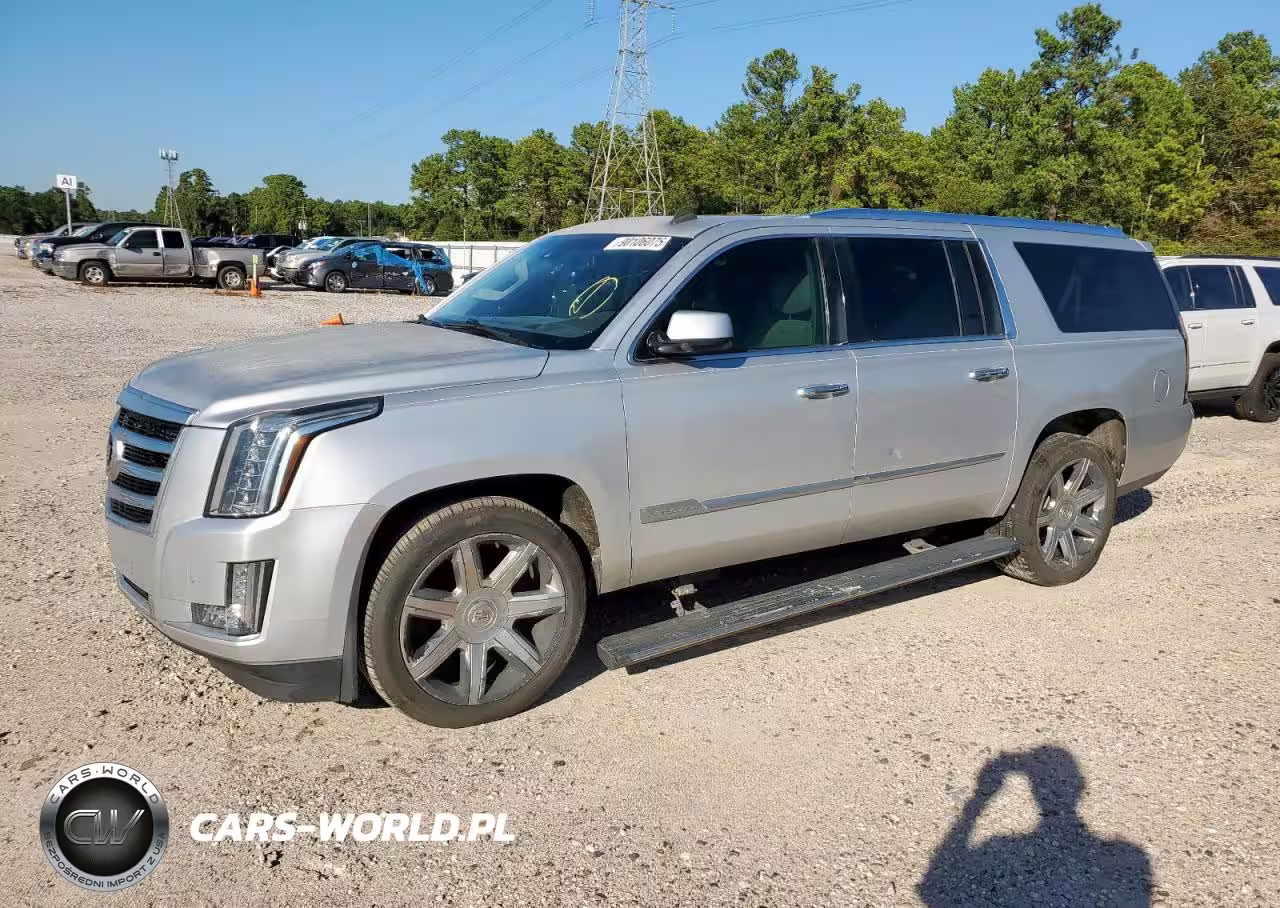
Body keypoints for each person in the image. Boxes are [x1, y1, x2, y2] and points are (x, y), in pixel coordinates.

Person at [919, 746, 1152, 908]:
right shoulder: (1130, 855)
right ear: (1080, 786)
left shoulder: (998, 847)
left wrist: (978, 801)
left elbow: (932, 887)